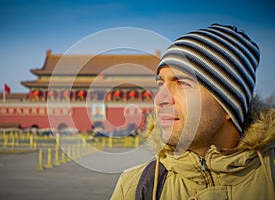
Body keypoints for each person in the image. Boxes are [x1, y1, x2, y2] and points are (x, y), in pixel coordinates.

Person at [111, 24, 275, 200]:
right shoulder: (136, 188)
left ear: (229, 106)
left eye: (181, 84)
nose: (159, 100)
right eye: (161, 84)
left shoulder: (270, 176)